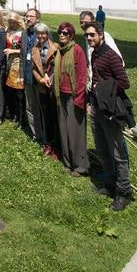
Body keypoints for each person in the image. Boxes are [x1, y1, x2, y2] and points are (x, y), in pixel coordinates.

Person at [85, 22, 133, 211]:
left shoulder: (111, 56)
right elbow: (94, 80)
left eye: (92, 35)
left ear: (101, 35)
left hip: (110, 110)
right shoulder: (94, 54)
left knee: (117, 152)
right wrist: (91, 102)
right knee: (102, 149)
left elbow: (124, 82)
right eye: (87, 35)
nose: (89, 38)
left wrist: (103, 87)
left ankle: (124, 192)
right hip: (97, 107)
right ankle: (110, 183)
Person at [54, 22, 88, 175]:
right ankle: (67, 162)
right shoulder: (59, 50)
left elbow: (82, 75)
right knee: (64, 129)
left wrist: (79, 98)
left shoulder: (77, 50)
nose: (62, 35)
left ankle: (80, 166)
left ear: (72, 35)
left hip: (74, 96)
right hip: (60, 94)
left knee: (75, 131)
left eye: (66, 33)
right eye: (60, 32)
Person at [31, 22, 59, 158]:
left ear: (47, 34)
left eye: (43, 33)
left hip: (53, 87)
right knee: (45, 116)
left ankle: (56, 145)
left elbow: (58, 67)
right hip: (42, 86)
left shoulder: (55, 47)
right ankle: (48, 143)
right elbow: (33, 68)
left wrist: (50, 79)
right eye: (38, 33)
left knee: (55, 117)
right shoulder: (35, 49)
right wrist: (40, 79)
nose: (40, 36)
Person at [79, 11, 123, 90]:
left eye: (86, 22)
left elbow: (118, 59)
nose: (83, 25)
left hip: (106, 87)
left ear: (93, 21)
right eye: (81, 22)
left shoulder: (104, 35)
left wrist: (107, 83)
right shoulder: (87, 37)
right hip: (94, 84)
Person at [19, 8, 40, 137]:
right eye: (27, 16)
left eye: (31, 16)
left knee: (40, 107)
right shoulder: (24, 33)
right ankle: (34, 133)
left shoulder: (42, 33)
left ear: (38, 19)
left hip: (38, 77)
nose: (28, 18)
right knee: (29, 106)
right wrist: (21, 75)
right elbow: (22, 56)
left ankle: (43, 133)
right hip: (27, 75)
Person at [4, 12, 25, 128]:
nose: (11, 24)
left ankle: (21, 118)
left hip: (18, 64)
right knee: (9, 91)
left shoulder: (23, 33)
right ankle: (13, 114)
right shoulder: (7, 31)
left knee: (19, 93)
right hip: (8, 63)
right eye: (9, 21)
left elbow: (27, 50)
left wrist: (13, 51)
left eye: (13, 22)